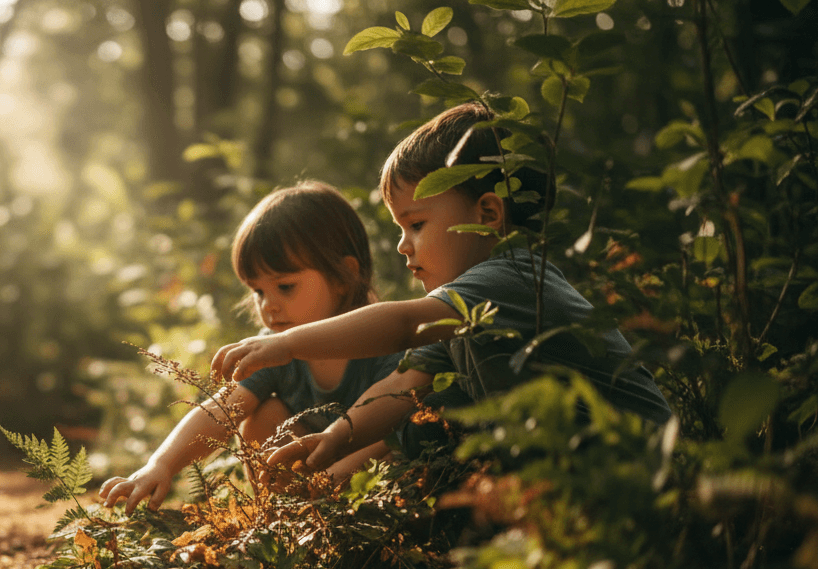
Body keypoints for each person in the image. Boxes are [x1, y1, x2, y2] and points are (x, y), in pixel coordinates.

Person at [211, 102, 673, 474]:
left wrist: (287, 345)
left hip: (639, 460)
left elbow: (402, 325)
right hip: (576, 464)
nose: (402, 245)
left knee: (434, 424)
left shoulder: (509, 276)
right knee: (428, 411)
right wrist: (337, 436)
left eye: (416, 225)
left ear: (488, 215)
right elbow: (402, 382)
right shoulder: (459, 319)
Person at [99, 180, 403, 514]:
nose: (268, 304)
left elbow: (395, 434)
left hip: (372, 485)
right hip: (305, 488)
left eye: (285, 286)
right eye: (258, 291)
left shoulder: (383, 340)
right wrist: (161, 465)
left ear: (343, 277)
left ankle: (326, 521)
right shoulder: (274, 350)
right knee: (262, 413)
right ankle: (281, 517)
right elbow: (221, 410)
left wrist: (330, 483)